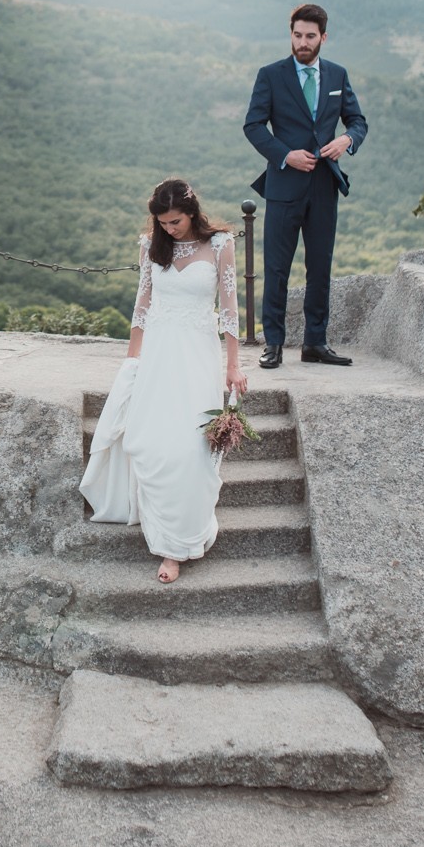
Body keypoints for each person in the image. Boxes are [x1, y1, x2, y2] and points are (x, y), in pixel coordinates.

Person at [80, 178, 247, 585]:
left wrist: (234, 364)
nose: (169, 229)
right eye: (163, 223)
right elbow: (143, 304)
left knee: (192, 450)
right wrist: (132, 358)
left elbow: (229, 309)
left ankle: (177, 546)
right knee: (150, 443)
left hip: (198, 357)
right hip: (157, 355)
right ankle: (162, 534)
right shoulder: (150, 246)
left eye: (175, 221)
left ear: (192, 213)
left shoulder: (221, 244)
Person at [243, 2, 368, 370]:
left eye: (310, 36)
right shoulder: (271, 75)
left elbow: (358, 121)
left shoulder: (337, 75)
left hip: (324, 186)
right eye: (297, 35)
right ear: (291, 35)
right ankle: (274, 344)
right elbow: (253, 126)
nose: (302, 42)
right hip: (283, 184)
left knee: (320, 266)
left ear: (323, 38)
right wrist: (286, 155)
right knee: (277, 268)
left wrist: (347, 141)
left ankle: (315, 342)